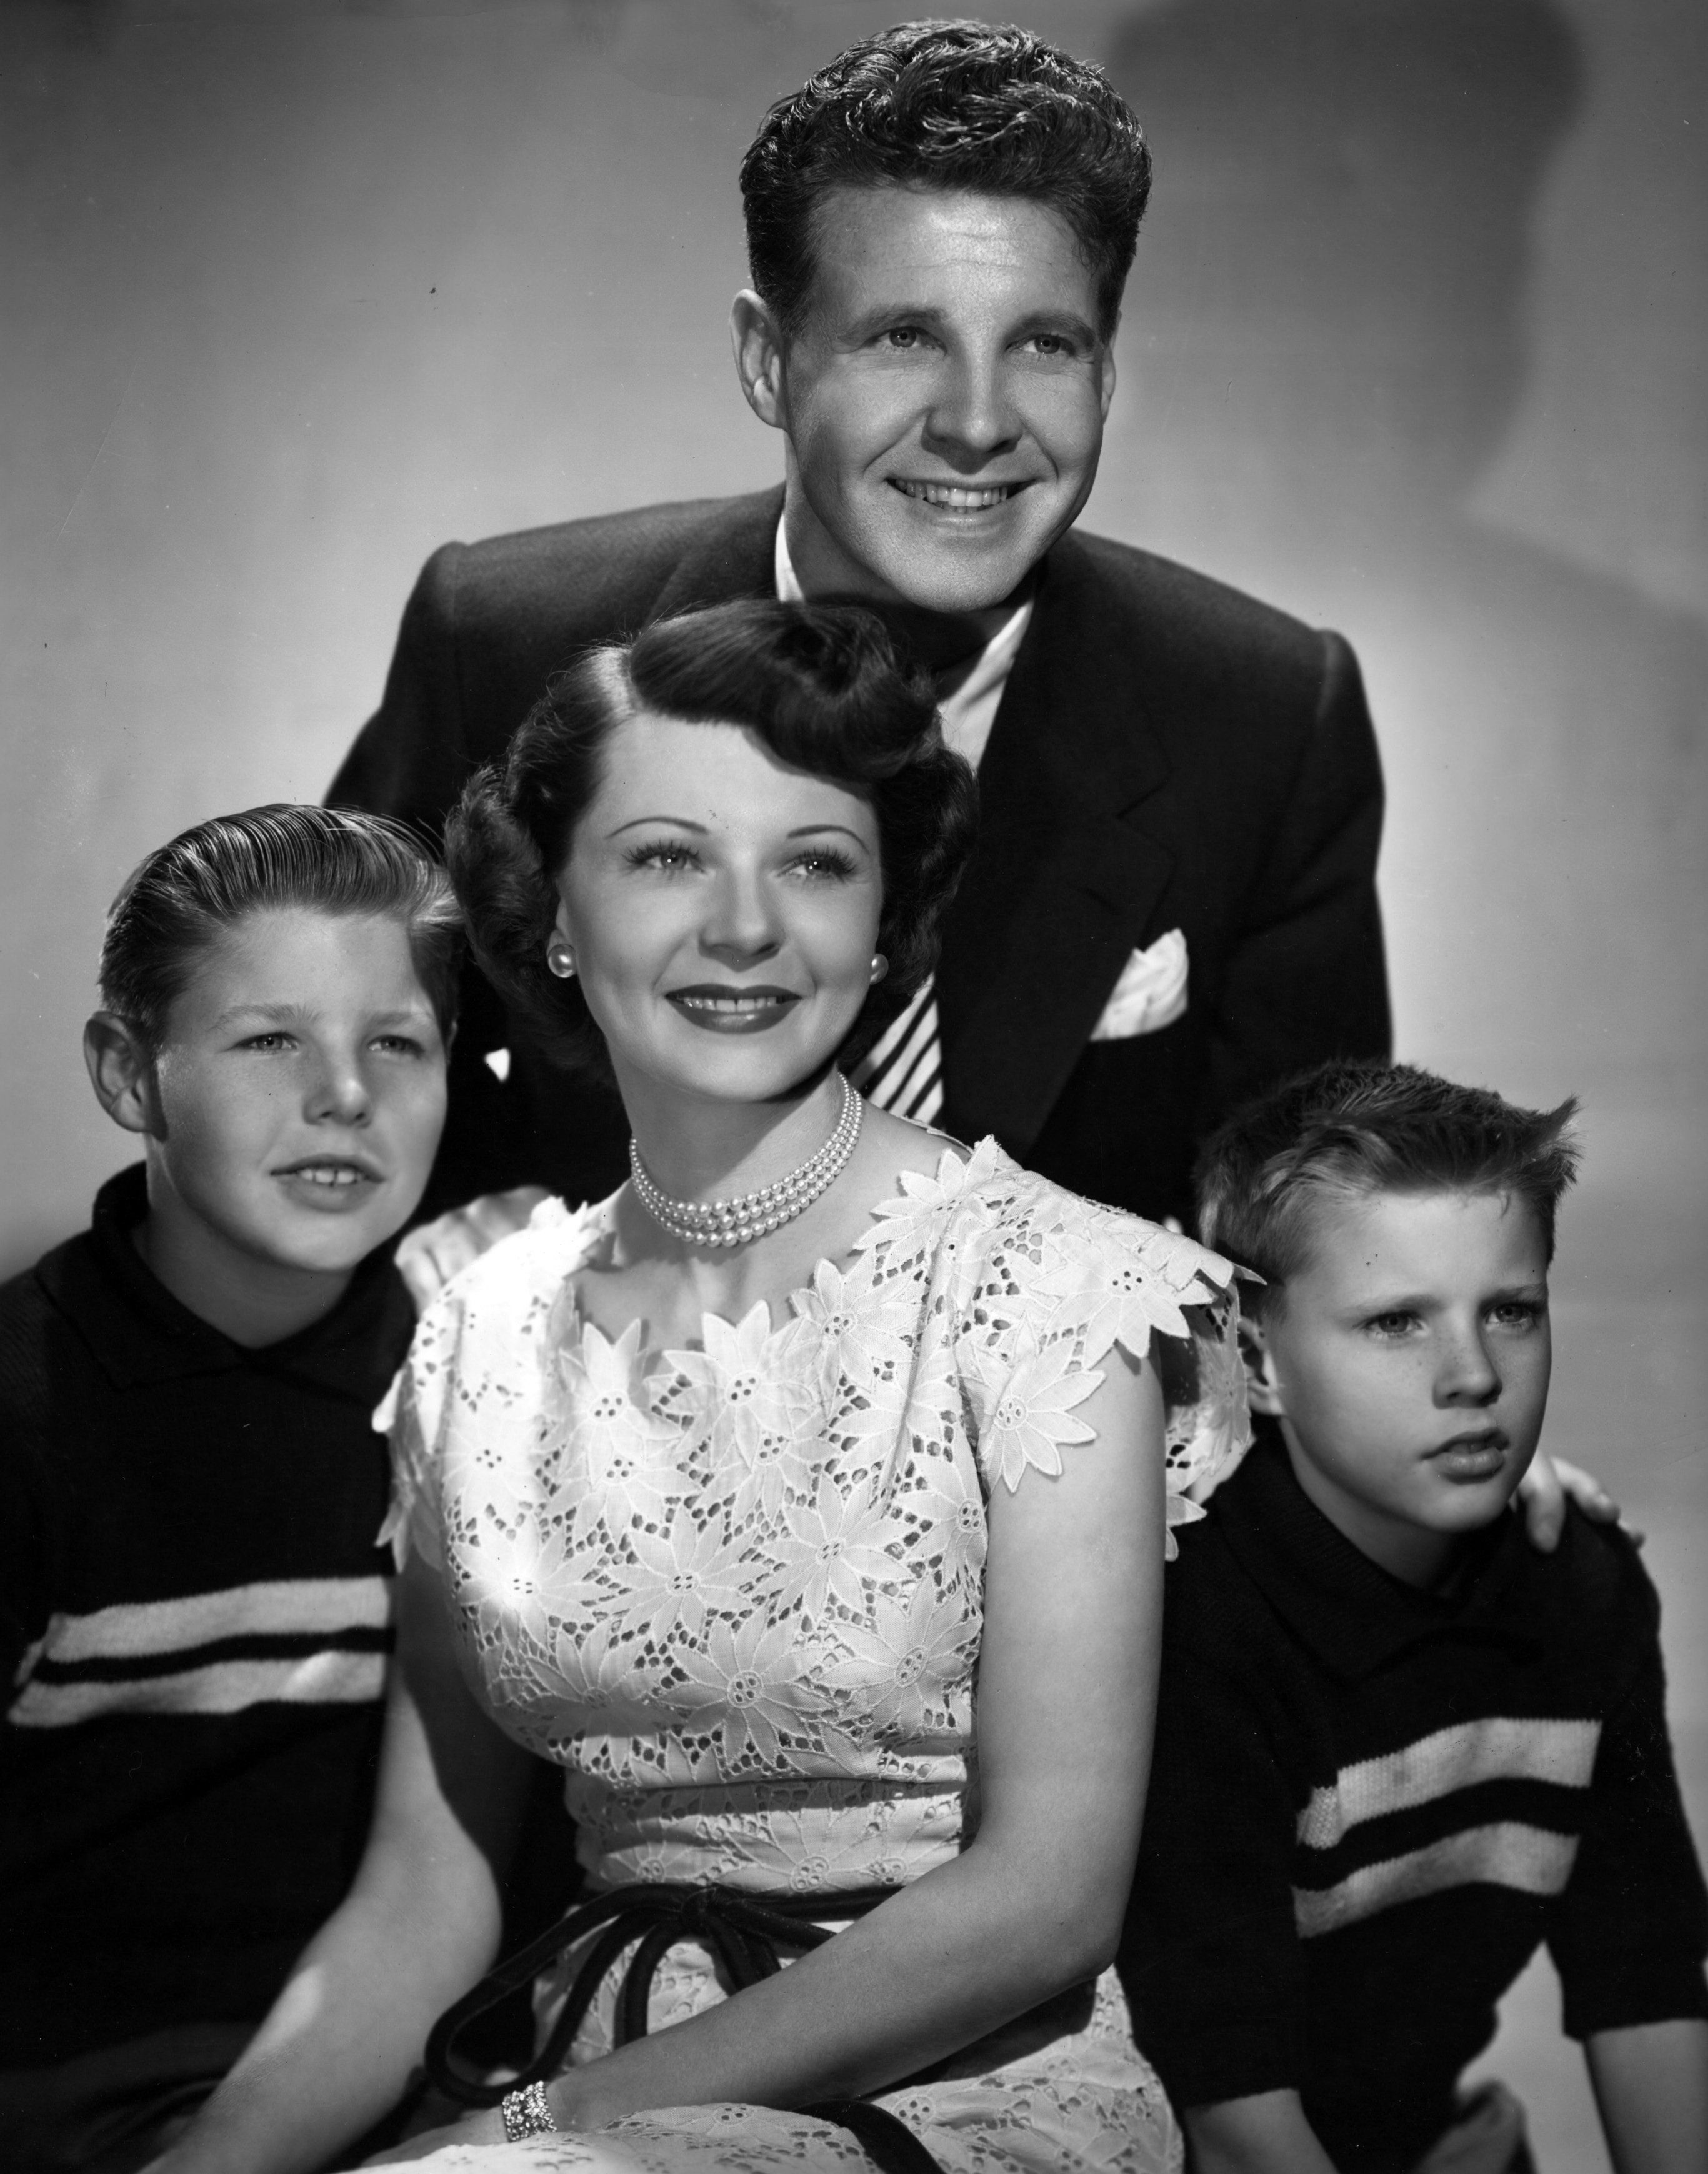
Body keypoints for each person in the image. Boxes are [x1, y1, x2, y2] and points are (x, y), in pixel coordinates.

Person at [151, 599, 1250, 2174]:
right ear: (550, 911)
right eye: (667, 857)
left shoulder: (1048, 1291)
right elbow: (424, 1892)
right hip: (565, 2106)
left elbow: (1040, 1900)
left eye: (815, 862)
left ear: (885, 924)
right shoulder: (476, 1330)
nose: (746, 926)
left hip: (963, 2099)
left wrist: (545, 2123)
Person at [331, 17, 1390, 1240]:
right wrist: (486, 1253)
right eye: (903, 339)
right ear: (767, 361)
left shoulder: (1260, 715)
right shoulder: (507, 643)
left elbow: (1310, 1232)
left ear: (1104, 377)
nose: (977, 423)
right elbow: (333, 1049)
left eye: (1042, 345)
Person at [1121, 1060, 1708, 2174]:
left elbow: (1645, 1986)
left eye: (1510, 1310)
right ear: (1254, 1356)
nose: (1472, 1374)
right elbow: (1232, 2114)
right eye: (1395, 1323)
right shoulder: (1194, 1622)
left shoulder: (1584, 1591)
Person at [0, 806, 459, 2174]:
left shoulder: (474, 1376)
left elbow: (437, 1892)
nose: (345, 1095)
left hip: (400, 2086)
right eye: (269, 1041)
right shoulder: (28, 1411)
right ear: (128, 1073)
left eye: (397, 1042)